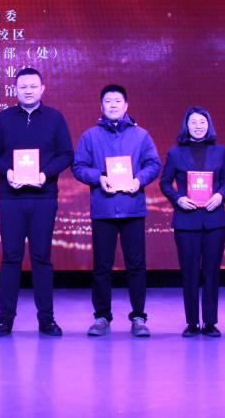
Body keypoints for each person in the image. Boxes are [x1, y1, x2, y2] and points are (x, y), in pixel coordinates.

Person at [0, 67, 74, 337]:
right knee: (11, 258)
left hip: (44, 198)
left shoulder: (55, 118)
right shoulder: (4, 118)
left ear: (42, 88)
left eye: (33, 86)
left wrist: (45, 174)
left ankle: (47, 319)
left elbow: (67, 154)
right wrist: (8, 172)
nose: (28, 90)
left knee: (41, 258)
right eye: (23, 86)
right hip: (11, 198)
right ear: (15, 89)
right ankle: (4, 320)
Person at [72, 84, 162, 337]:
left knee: (136, 265)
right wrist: (99, 177)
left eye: (117, 101)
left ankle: (139, 317)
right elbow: (78, 166)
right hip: (104, 208)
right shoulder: (90, 136)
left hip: (133, 208)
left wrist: (139, 180)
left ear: (126, 106)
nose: (113, 105)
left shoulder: (141, 135)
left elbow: (154, 164)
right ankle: (102, 316)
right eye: (108, 101)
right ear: (101, 106)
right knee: (102, 266)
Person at [159, 106, 225, 337]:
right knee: (189, 272)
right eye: (194, 122)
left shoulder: (220, 151)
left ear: (208, 125)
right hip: (186, 220)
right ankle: (192, 322)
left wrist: (220, 195)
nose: (198, 126)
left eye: (202, 122)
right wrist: (178, 199)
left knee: (212, 272)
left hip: (214, 220)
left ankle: (210, 322)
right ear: (186, 126)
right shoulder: (175, 152)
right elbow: (164, 182)